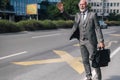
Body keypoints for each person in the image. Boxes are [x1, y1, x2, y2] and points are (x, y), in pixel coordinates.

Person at [57, 0, 105, 80]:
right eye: (80, 4)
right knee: (85, 60)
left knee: (95, 61)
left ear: (86, 5)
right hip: (81, 41)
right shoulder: (77, 15)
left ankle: (99, 77)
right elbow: (68, 17)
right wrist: (62, 10)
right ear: (79, 6)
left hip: (91, 42)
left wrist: (101, 41)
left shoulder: (93, 15)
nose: (82, 6)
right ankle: (89, 76)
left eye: (83, 4)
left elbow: (97, 28)